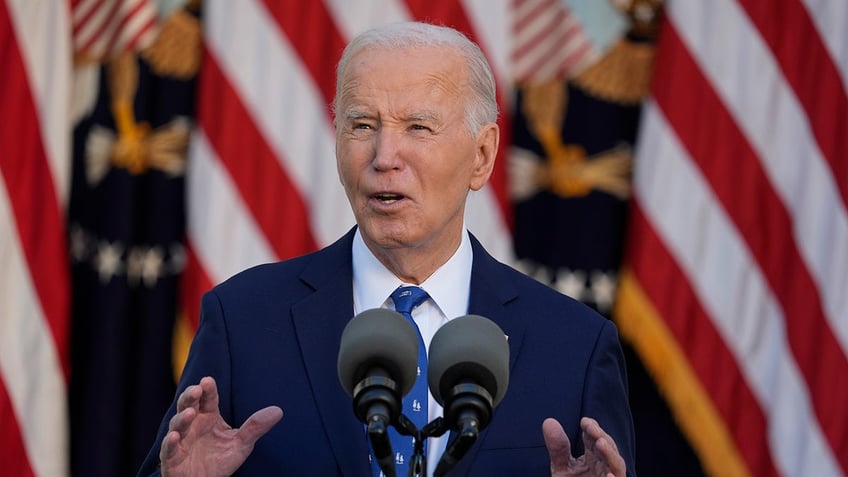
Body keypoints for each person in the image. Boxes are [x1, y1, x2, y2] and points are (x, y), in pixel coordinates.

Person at [138, 21, 636, 477]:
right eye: (362, 125)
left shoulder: (575, 346)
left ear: (482, 156)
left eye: (417, 127)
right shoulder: (242, 321)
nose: (384, 156)